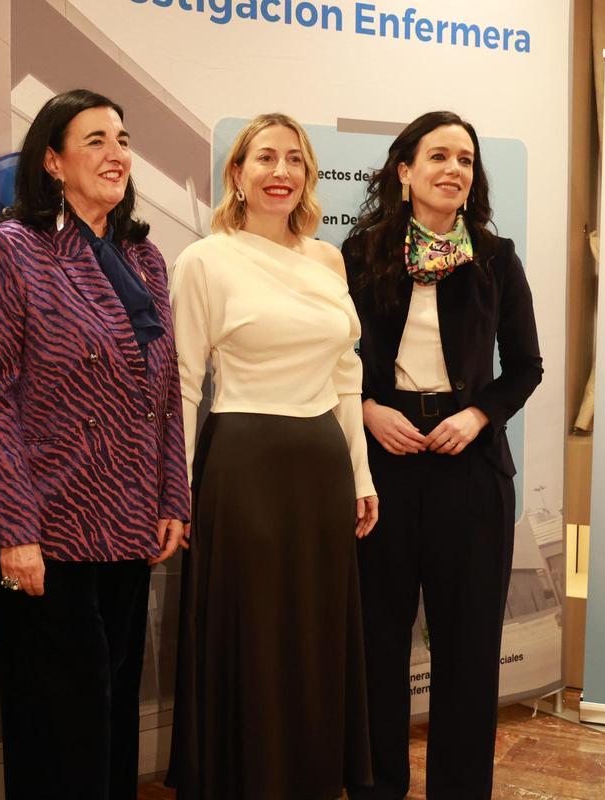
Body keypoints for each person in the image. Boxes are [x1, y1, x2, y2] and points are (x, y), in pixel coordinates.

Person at [0, 88, 190, 800]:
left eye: (122, 139)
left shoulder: (144, 256)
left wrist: (172, 498)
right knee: (60, 718)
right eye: (95, 139)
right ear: (52, 161)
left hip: (129, 520)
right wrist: (13, 530)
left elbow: (165, 392)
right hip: (49, 526)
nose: (117, 153)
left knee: (113, 705)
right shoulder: (14, 249)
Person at [166, 113, 379, 800]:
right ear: (237, 173)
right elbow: (181, 380)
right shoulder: (205, 260)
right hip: (243, 463)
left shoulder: (326, 257)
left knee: (315, 630)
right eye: (265, 158)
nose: (280, 171)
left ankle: (312, 776)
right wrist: (178, 491)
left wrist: (360, 471)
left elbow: (347, 373)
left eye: (294, 159)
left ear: (309, 175)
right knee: (254, 632)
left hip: (321, 463)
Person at [341, 110, 543, 800]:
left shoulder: (494, 257)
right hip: (383, 465)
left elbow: (524, 366)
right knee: (377, 644)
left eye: (465, 159)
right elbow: (336, 356)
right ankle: (377, 788)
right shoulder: (361, 252)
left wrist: (479, 414)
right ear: (405, 171)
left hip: (470, 467)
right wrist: (369, 411)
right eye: (438, 156)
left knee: (467, 650)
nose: (454, 169)